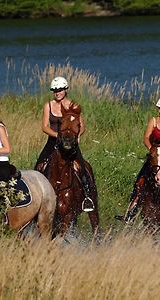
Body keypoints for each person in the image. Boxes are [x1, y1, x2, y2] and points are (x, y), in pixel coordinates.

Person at [34, 76, 95, 212]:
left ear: (65, 90)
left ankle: (87, 197)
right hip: (53, 142)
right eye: (55, 90)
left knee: (81, 167)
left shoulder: (73, 106)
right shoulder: (48, 106)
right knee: (39, 166)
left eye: (60, 89)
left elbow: (82, 126)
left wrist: (77, 136)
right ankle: (37, 200)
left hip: (71, 143)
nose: (58, 92)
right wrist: (58, 136)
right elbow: (44, 127)